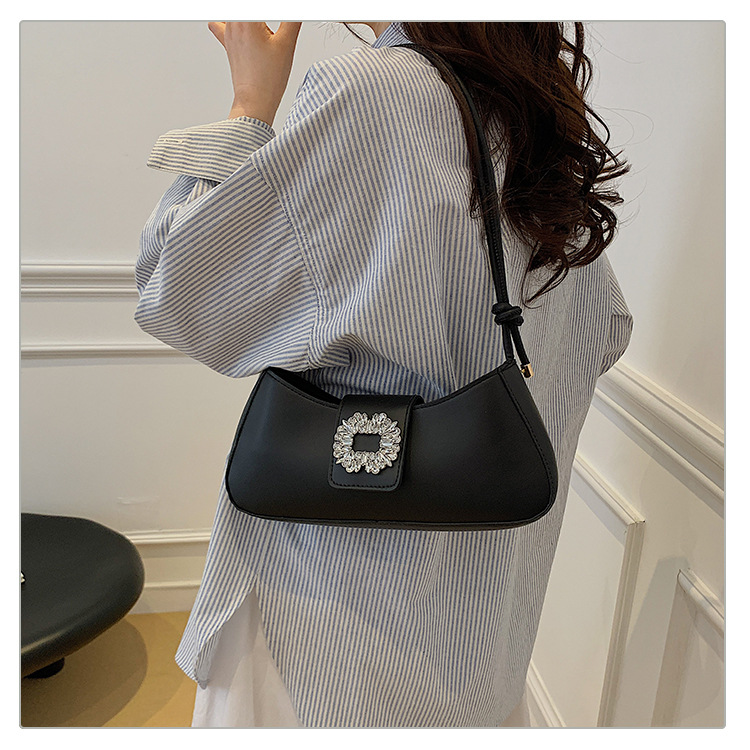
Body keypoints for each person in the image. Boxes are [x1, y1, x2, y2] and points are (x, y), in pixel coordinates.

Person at [135, 21, 633, 728]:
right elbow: (603, 329)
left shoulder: (371, 91)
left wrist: (249, 107)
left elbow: (178, 295)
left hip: (327, 628)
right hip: (483, 628)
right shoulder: (536, 114)